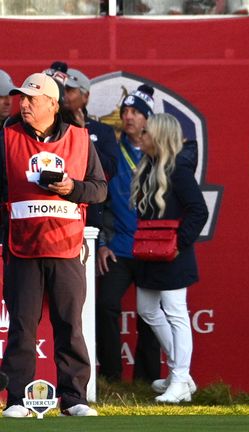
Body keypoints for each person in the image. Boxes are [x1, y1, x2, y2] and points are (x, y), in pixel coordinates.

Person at [0, 72, 107, 417]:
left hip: (66, 246)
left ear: (52, 104)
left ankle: (74, 399)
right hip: (22, 248)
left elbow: (99, 189)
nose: (23, 104)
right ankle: (15, 399)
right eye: (22, 98)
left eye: (32, 98)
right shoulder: (5, 138)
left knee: (70, 325)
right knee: (21, 325)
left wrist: (71, 189)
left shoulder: (80, 138)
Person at [131, 113, 208, 403]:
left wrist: (180, 243)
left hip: (173, 254)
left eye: (147, 132)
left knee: (176, 313)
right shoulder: (147, 166)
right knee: (147, 309)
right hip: (149, 253)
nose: (142, 135)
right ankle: (182, 375)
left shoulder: (180, 170)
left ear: (160, 136)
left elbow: (199, 211)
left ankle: (179, 378)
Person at [95, 84, 162, 385]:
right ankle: (110, 377)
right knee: (105, 304)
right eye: (125, 112)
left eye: (135, 112)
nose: (129, 117)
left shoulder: (161, 153)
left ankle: (146, 381)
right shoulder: (112, 152)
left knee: (151, 316)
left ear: (148, 118)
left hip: (153, 249)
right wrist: (102, 243)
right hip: (120, 248)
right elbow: (99, 200)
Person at [62, 67, 120, 227]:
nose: (64, 95)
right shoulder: (51, 127)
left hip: (89, 219)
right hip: (56, 214)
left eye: (69, 90)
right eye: (62, 89)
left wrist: (83, 137)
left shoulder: (102, 131)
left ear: (85, 96)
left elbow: (110, 171)